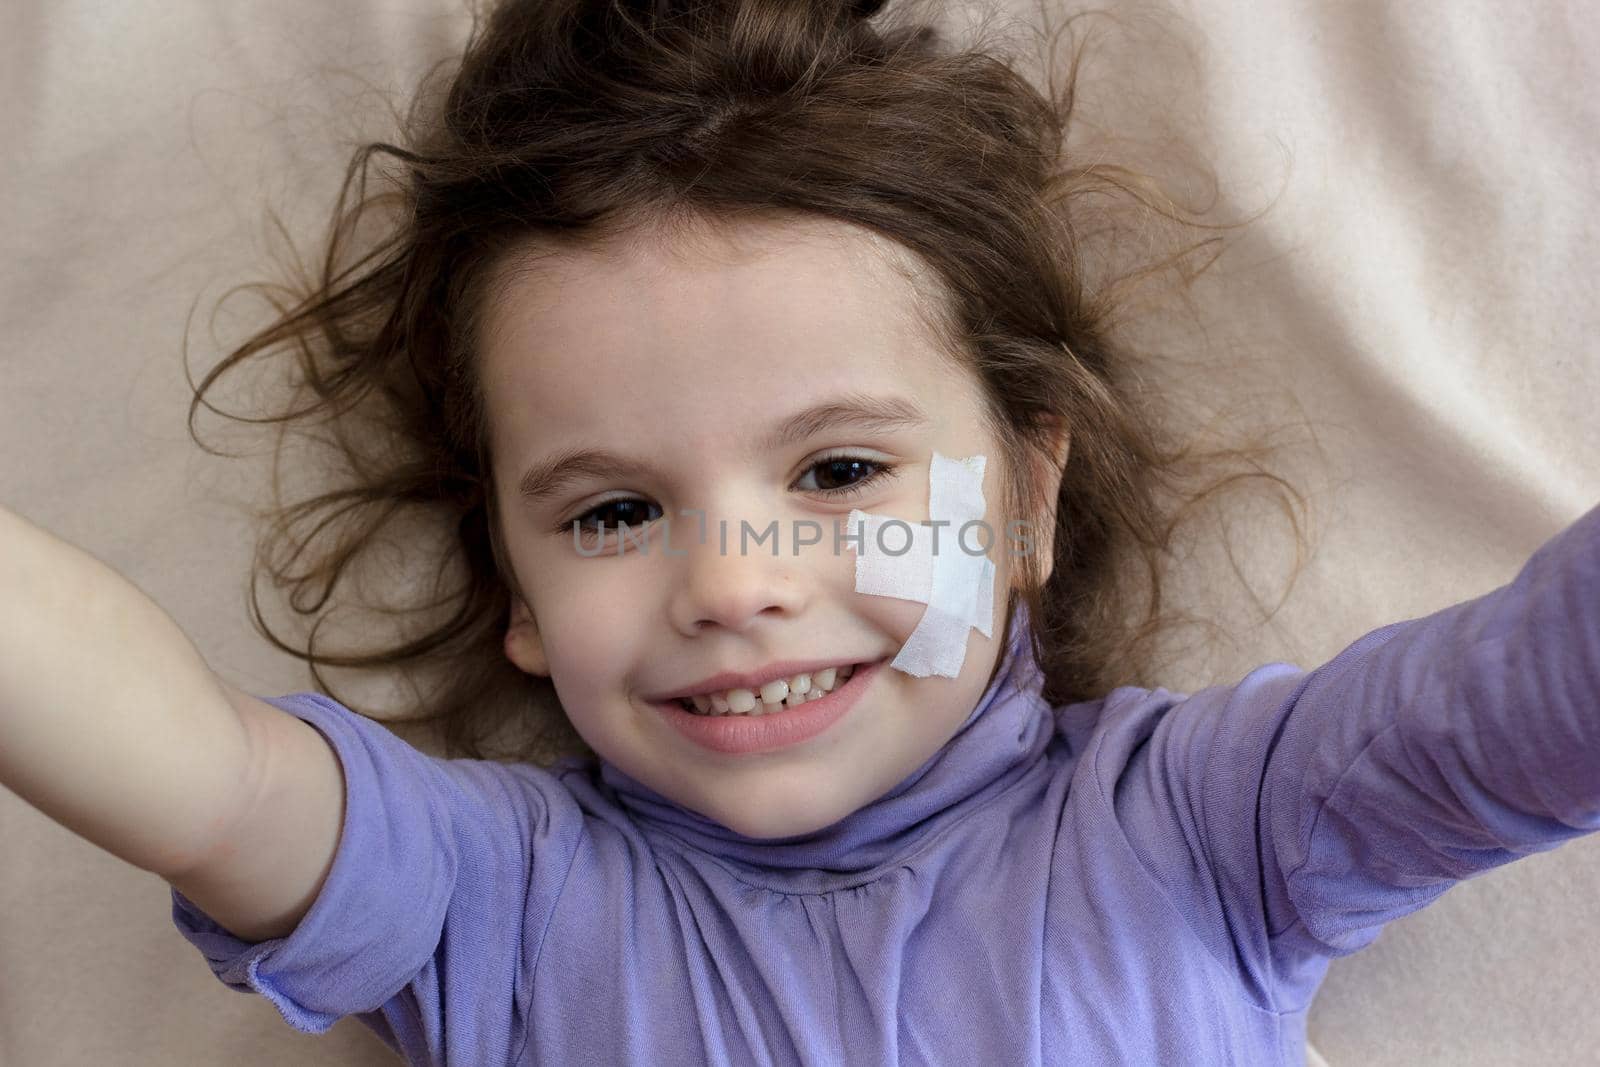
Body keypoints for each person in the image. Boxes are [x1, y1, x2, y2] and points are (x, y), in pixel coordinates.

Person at [1, 0, 1594, 1064]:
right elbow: (192, 775)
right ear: (523, 599)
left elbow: (1540, 696)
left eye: (837, 473)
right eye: (615, 512)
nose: (734, 588)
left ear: (1028, 500)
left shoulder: (1207, 827)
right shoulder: (494, 903)